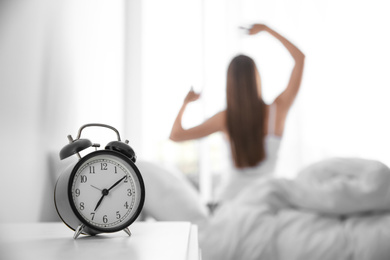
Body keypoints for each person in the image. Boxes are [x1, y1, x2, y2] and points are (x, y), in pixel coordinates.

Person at [169, 23, 305, 201]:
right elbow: (300, 58)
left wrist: (185, 103)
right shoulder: (277, 110)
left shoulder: (225, 118)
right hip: (267, 202)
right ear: (256, 78)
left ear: (230, 84)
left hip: (230, 204)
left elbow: (176, 135)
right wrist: (266, 29)